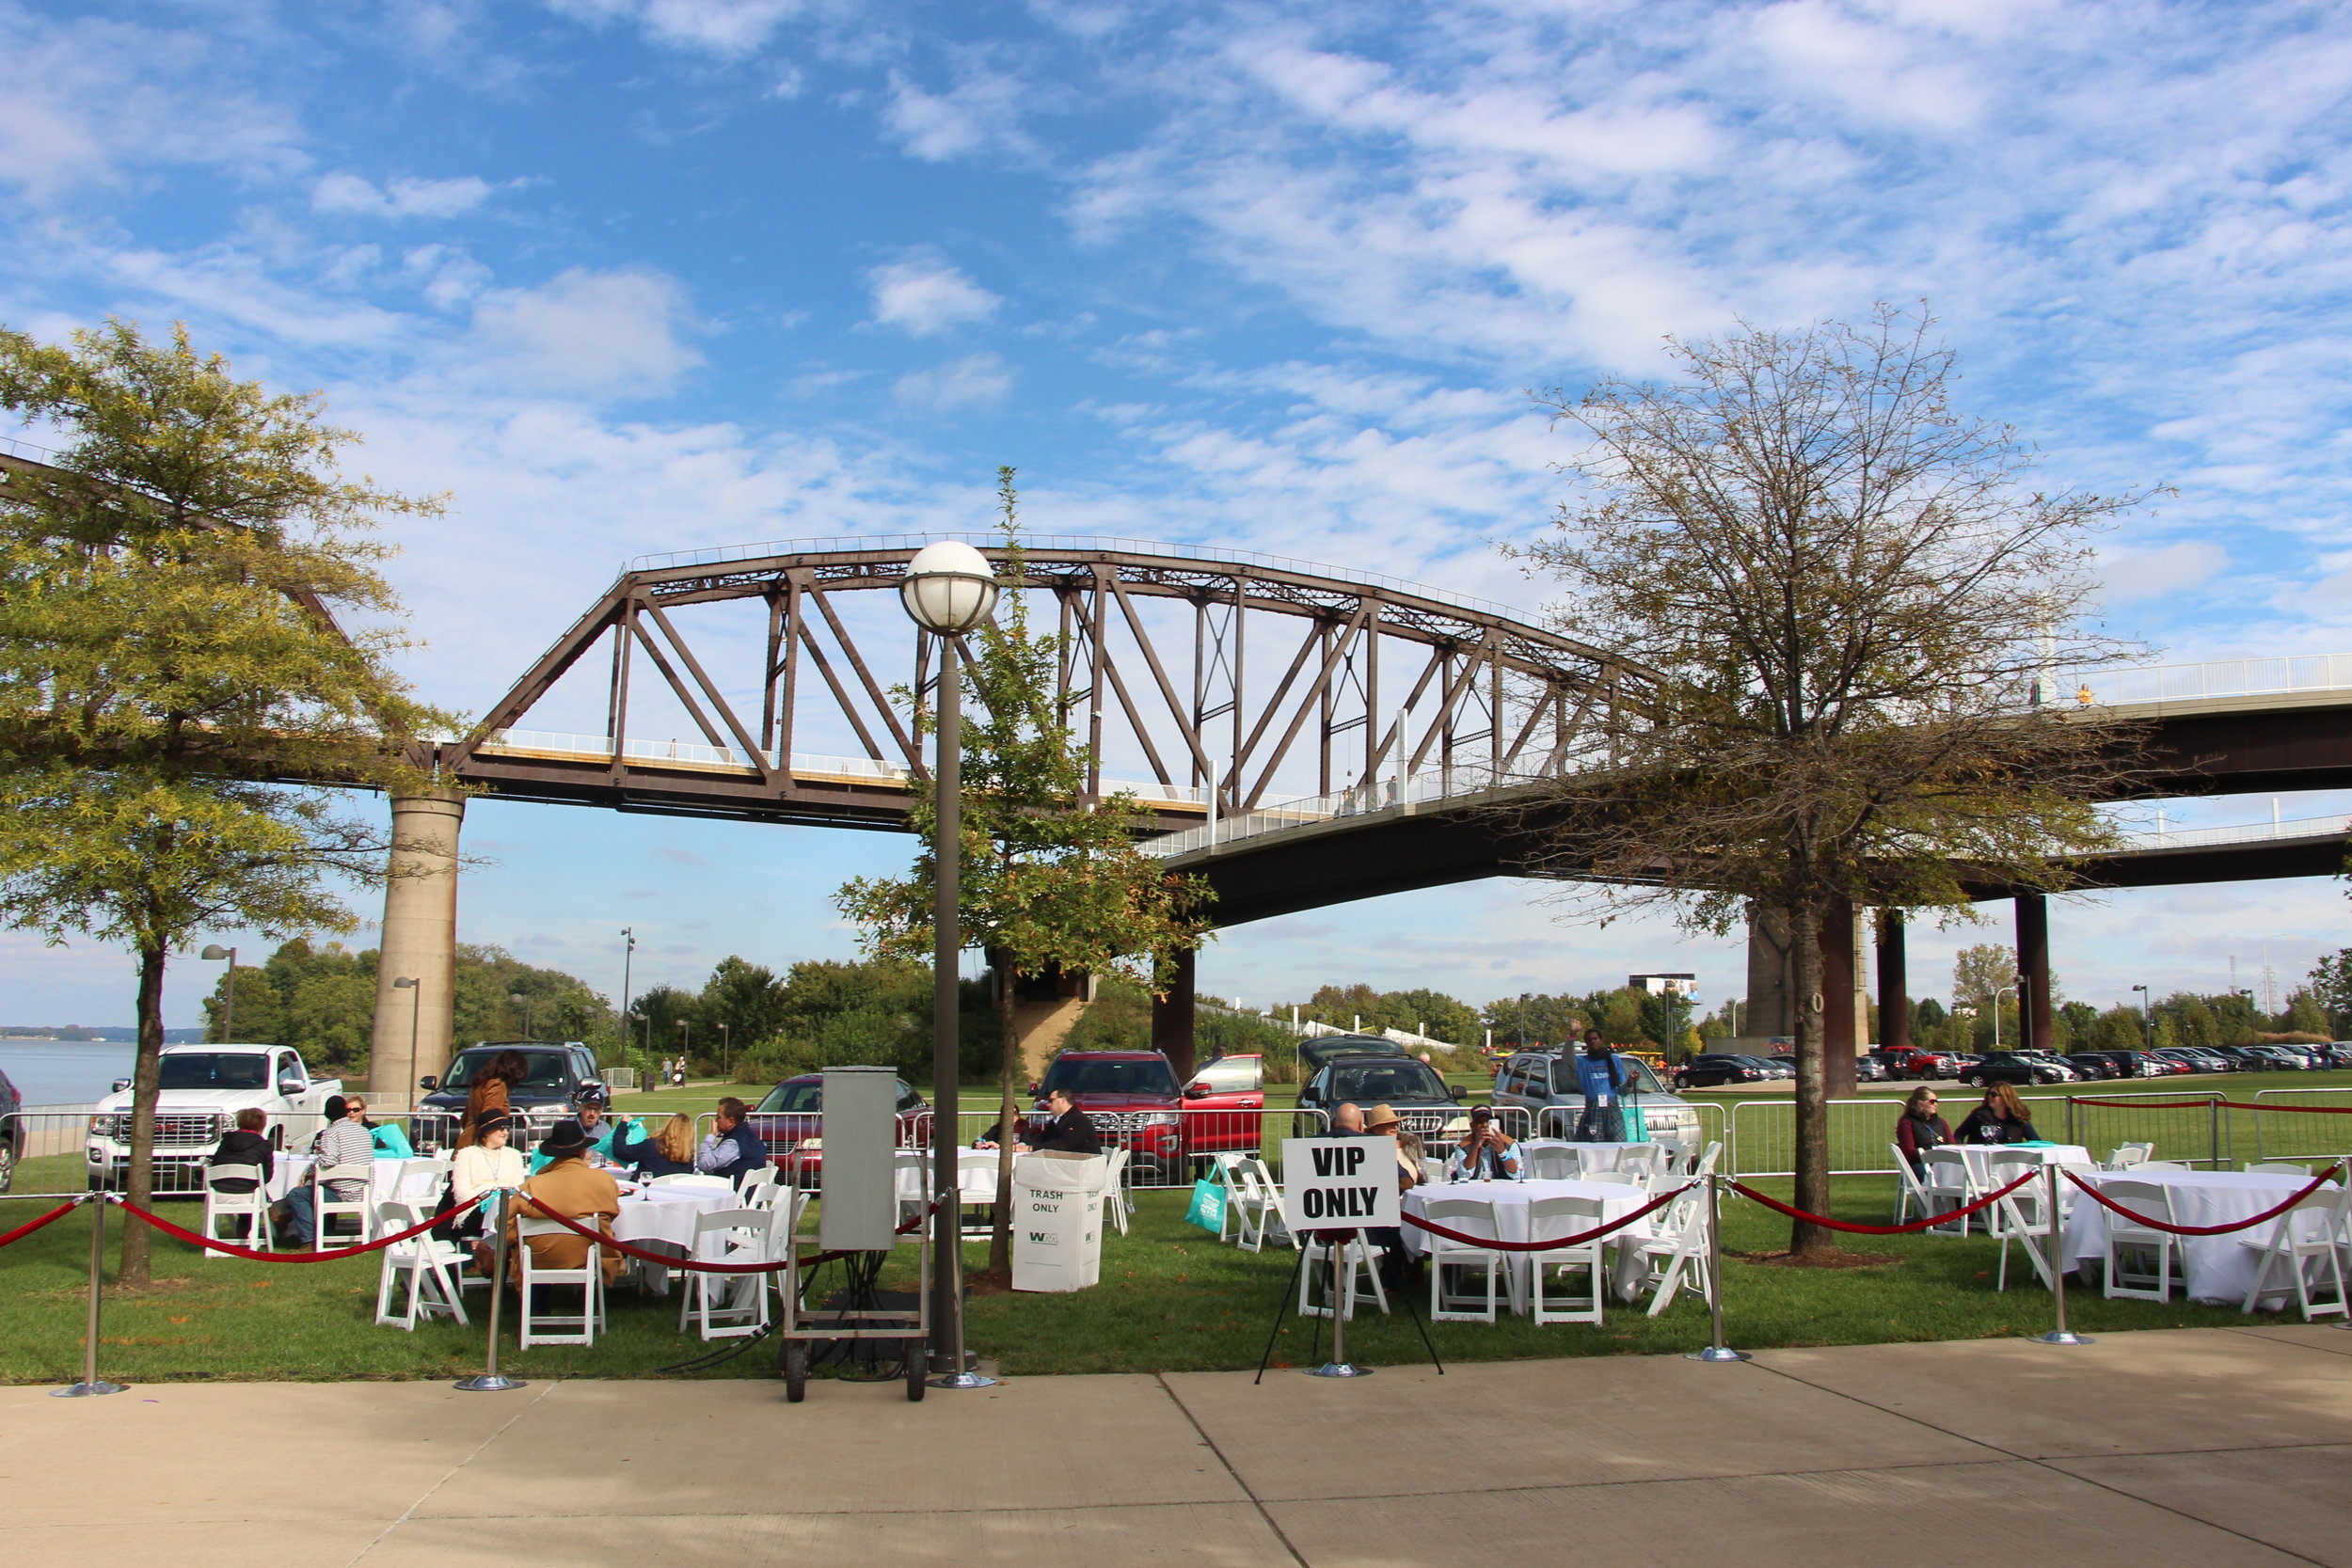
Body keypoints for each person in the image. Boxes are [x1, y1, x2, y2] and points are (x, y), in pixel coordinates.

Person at [509, 1119, 624, 1289]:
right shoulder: (604, 1180)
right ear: (583, 1151)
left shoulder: (531, 1186)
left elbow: (506, 1226)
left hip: (538, 1259)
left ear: (553, 1153)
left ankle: (538, 1305)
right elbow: (612, 1216)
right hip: (590, 1256)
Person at [278, 1095, 376, 1247]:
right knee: (323, 1187)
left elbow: (328, 1161)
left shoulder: (331, 1133)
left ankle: (309, 1239)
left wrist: (309, 1170)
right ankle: (327, 1235)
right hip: (364, 1189)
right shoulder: (364, 1131)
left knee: (297, 1195)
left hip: (341, 1193)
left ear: (327, 1115)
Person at [448, 1109, 526, 1250]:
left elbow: (518, 1187)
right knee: (500, 1212)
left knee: (508, 1214)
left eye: (507, 1128)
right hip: (475, 1210)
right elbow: (461, 1192)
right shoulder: (466, 1154)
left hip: (507, 1209)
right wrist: (488, 1202)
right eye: (500, 1128)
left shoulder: (514, 1155)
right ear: (486, 1132)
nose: (505, 1132)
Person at [531, 1085, 638, 1172]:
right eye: (588, 1108)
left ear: (601, 1111)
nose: (592, 1113)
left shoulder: (605, 1128)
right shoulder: (567, 1126)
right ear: (580, 1107)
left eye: (596, 1109)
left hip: (599, 1172)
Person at [455, 1049, 530, 1149]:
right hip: (481, 1146)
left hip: (466, 1141)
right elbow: (491, 1119)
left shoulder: (481, 1083)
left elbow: (465, 1118)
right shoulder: (498, 1085)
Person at [1572, 1029, 1637, 1143]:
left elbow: (1623, 1092)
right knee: (1594, 1147)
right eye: (1589, 1040)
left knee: (1618, 1145)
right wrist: (1572, 1035)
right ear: (1586, 1043)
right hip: (1593, 1108)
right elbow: (1565, 1057)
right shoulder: (1582, 1061)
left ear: (1601, 1040)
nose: (1592, 1042)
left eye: (1595, 1039)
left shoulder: (1614, 1060)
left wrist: (1630, 1081)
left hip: (1612, 1108)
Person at [694, 1096, 771, 1181]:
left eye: (719, 1117)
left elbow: (704, 1163)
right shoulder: (751, 1136)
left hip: (732, 1191)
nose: (716, 1121)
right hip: (748, 1190)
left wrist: (711, 1135)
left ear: (730, 1121)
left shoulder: (733, 1144)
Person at [207, 1107, 276, 1193]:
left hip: (219, 1191)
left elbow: (215, 1165)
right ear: (262, 1125)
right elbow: (266, 1177)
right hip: (249, 1192)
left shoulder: (226, 1141)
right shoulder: (265, 1145)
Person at [1446, 1106, 1521, 1180]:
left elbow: (1516, 1174)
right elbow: (1464, 1174)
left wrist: (1502, 1151)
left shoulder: (1509, 1143)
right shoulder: (1463, 1146)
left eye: (1488, 1121)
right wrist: (1476, 1146)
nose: (1485, 1125)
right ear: (1472, 1126)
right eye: (1480, 1122)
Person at [1954, 1083, 2042, 1145]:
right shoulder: (1978, 1115)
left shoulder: (2019, 1118)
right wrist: (1961, 1148)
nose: (1989, 1097)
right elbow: (1959, 1133)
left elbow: (2036, 1142)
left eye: (1993, 1094)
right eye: (1988, 1094)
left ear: (2005, 1097)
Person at [1362, 1104, 1426, 1190]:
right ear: (1375, 1129)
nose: (1395, 1126)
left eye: (1396, 1123)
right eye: (1389, 1123)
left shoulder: (1410, 1145)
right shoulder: (1370, 1151)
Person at [615, 1112, 698, 1176]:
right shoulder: (688, 1156)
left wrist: (623, 1125)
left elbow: (621, 1151)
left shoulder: (651, 1145)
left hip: (645, 1191)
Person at [1894, 1087, 1953, 1173]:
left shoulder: (1941, 1122)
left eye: (1936, 1101)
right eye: (1932, 1102)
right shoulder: (1907, 1123)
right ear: (1920, 1104)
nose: (1936, 1104)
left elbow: (1952, 1145)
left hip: (1943, 1163)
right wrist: (1933, 1155)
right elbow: (1909, 1151)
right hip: (1919, 1163)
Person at [351, 1096, 416, 1159]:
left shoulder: (374, 1129)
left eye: (355, 1110)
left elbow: (381, 1148)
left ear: (363, 1111)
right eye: (347, 1110)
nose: (351, 1112)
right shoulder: (342, 1129)